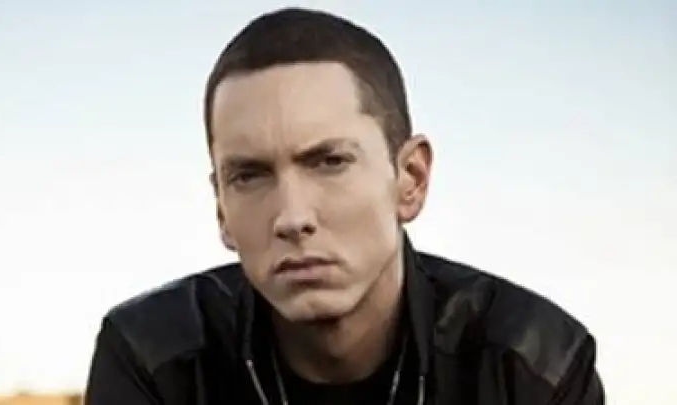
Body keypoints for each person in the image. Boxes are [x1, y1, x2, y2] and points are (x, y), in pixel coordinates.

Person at [84, 7, 604, 405]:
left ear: (411, 179)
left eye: (329, 162)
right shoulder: (155, 359)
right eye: (250, 175)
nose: (293, 217)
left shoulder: (533, 365)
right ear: (221, 210)